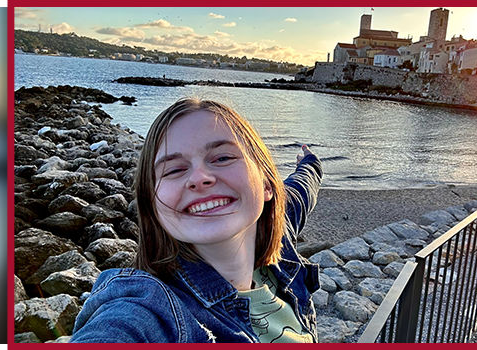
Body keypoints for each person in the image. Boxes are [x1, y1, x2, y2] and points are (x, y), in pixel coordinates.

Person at [71, 98, 323, 343]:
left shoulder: (281, 239)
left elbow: (300, 190)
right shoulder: (150, 310)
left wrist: (310, 164)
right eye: (174, 170)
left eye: (223, 158)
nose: (199, 177)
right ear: (153, 205)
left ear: (267, 183)